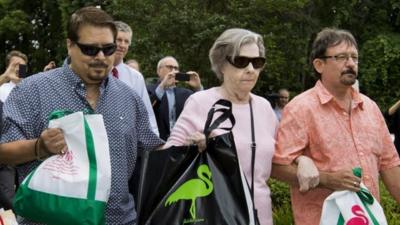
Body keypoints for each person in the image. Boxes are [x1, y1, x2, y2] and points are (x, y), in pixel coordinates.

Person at [0, 6, 163, 224]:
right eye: (90, 49)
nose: (101, 57)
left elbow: (155, 149)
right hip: (49, 220)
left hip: (119, 219)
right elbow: (3, 152)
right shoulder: (32, 90)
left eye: (108, 49)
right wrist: (39, 146)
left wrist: (198, 145)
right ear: (70, 45)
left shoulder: (129, 97)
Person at [164, 28, 316, 225]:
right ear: (222, 64)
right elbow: (169, 158)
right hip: (214, 215)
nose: (251, 69)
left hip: (261, 217)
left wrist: (303, 159)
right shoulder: (200, 102)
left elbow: (283, 153)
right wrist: (192, 146)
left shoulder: (264, 108)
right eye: (241, 61)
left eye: (257, 62)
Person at [272, 28, 400, 225]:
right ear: (319, 64)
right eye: (341, 57)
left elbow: (390, 166)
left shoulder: (370, 108)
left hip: (369, 219)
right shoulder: (300, 109)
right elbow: (276, 167)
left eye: (354, 58)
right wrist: (326, 179)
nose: (350, 63)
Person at [113, 21, 159, 136]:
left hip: (128, 142)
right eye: (119, 40)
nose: (122, 45)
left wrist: (153, 138)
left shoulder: (136, 77)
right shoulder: (95, 72)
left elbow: (145, 112)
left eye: (126, 41)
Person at [147, 56, 202, 140]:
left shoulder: (186, 93)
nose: (173, 71)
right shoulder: (148, 89)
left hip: (181, 143)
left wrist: (198, 88)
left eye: (176, 68)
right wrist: (162, 87)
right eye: (169, 67)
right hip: (156, 143)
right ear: (159, 71)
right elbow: (146, 109)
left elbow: (201, 110)